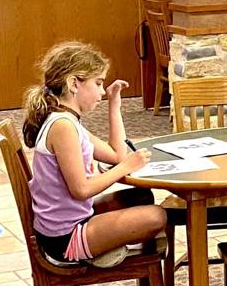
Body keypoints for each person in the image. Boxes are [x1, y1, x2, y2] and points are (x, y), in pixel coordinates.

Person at [22, 42, 166, 267]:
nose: (101, 91)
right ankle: (102, 248)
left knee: (141, 197)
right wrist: (125, 168)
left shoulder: (69, 120)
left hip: (73, 220)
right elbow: (81, 190)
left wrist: (114, 105)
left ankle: (110, 242)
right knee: (157, 217)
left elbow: (116, 154)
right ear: (74, 84)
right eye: (98, 83)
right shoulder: (63, 127)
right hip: (64, 238)